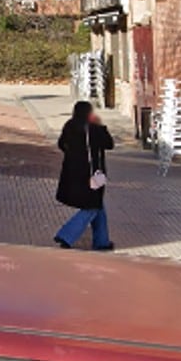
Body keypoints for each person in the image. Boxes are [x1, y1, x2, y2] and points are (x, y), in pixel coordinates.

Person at [54, 100, 116, 251]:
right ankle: (66, 235)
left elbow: (61, 144)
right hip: (91, 174)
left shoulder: (69, 125)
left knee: (98, 205)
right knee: (92, 206)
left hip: (73, 173)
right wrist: (101, 126)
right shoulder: (93, 129)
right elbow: (109, 144)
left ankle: (102, 241)